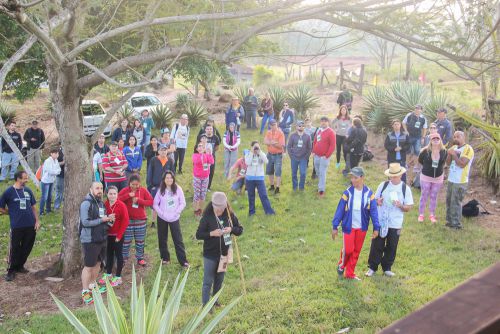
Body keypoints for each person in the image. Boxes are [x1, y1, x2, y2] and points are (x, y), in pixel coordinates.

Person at [195, 192, 244, 306]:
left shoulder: (229, 214)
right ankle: (206, 306)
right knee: (208, 281)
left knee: (219, 280)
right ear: (213, 206)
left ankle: (215, 302)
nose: (219, 211)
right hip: (210, 255)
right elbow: (199, 235)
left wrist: (231, 229)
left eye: (221, 209)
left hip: (224, 255)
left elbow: (240, 229)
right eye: (217, 209)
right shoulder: (207, 217)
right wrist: (212, 233)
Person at [366, 163, 414, 278]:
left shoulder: (405, 189)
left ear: (401, 176)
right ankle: (372, 267)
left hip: (395, 222)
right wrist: (378, 202)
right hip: (381, 220)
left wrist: (400, 206)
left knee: (392, 245)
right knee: (377, 244)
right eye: (391, 176)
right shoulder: (383, 185)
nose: (393, 178)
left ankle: (387, 268)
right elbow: (374, 200)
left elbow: (408, 207)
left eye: (395, 176)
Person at [331, 167, 379, 280]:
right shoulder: (347, 193)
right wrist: (335, 226)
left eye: (355, 177)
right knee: (348, 250)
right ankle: (342, 265)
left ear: (362, 178)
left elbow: (374, 212)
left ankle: (350, 273)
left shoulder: (369, 194)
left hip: (362, 228)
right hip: (348, 226)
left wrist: (376, 228)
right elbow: (340, 210)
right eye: (352, 177)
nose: (353, 180)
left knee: (356, 251)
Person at [0, 171, 40, 281]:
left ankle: (20, 266)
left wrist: (37, 221)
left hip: (30, 225)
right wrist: (10, 212)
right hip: (17, 226)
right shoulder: (8, 192)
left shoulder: (27, 190)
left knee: (27, 247)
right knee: (15, 248)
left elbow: (33, 207)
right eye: (25, 178)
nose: (27, 180)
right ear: (18, 179)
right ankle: (11, 270)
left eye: (27, 178)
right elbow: (1, 208)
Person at [79, 182, 114, 305]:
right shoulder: (86, 204)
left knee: (98, 263)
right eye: (97, 188)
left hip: (101, 238)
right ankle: (85, 291)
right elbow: (85, 222)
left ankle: (92, 286)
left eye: (101, 188)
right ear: (91, 189)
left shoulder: (101, 204)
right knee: (89, 266)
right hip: (90, 240)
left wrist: (109, 220)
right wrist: (102, 219)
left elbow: (102, 222)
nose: (99, 190)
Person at [153, 171, 189, 267]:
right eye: (167, 178)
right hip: (162, 218)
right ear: (164, 180)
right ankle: (165, 258)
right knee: (162, 238)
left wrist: (177, 212)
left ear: (173, 179)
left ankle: (183, 261)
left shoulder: (178, 189)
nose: (169, 179)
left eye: (171, 178)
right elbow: (155, 204)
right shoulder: (161, 190)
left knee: (178, 240)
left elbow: (183, 203)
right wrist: (161, 213)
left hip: (174, 218)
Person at [119, 174, 153, 266]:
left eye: (136, 184)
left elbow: (150, 201)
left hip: (140, 220)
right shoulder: (125, 190)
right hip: (127, 221)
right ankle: (123, 258)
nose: (134, 186)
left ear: (139, 184)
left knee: (140, 240)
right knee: (126, 241)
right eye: (132, 184)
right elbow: (117, 200)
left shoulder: (143, 191)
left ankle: (140, 258)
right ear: (129, 183)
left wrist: (139, 201)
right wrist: (127, 196)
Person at [99, 186, 129, 287]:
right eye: (110, 194)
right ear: (107, 194)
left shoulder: (121, 205)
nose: (112, 196)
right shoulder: (105, 205)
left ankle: (118, 277)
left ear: (117, 194)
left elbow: (125, 221)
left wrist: (119, 236)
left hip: (117, 235)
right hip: (108, 234)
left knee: (119, 254)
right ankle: (108, 274)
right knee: (109, 254)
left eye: (114, 194)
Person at [445, 131, 474, 230]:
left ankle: (456, 225)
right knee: (449, 201)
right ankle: (449, 222)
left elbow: (462, 164)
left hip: (460, 181)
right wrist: (449, 154)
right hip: (451, 179)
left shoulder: (468, 149)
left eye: (458, 136)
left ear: (463, 137)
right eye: (454, 137)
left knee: (456, 202)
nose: (456, 138)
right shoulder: (453, 148)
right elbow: (448, 163)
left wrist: (453, 155)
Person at [418, 133, 447, 223]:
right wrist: (428, 168)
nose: (435, 140)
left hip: (438, 177)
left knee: (434, 196)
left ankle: (432, 215)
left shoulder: (444, 151)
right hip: (426, 176)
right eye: (433, 138)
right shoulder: (424, 151)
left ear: (440, 140)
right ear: (430, 140)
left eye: (437, 138)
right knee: (424, 195)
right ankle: (421, 214)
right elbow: (420, 161)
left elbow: (444, 162)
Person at [245, 141, 276, 216]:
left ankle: (269, 211)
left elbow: (266, 161)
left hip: (259, 178)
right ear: (251, 147)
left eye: (257, 147)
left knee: (263, 195)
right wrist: (252, 152)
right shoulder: (248, 153)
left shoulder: (261, 154)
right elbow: (247, 163)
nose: (256, 148)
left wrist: (260, 152)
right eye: (254, 147)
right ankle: (251, 212)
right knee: (251, 196)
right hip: (250, 178)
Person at [146, 145, 174, 227]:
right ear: (158, 151)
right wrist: (150, 186)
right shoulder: (154, 160)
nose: (163, 152)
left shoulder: (170, 160)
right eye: (161, 150)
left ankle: (164, 220)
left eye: (165, 150)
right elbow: (149, 173)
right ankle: (153, 222)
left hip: (167, 186)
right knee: (155, 205)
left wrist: (171, 185)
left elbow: (173, 173)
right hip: (155, 186)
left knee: (166, 204)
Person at [312, 116, 336, 197]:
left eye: (325, 121)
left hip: (324, 157)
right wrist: (313, 151)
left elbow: (332, 146)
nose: (323, 122)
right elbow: (315, 141)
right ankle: (321, 184)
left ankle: (321, 190)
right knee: (317, 171)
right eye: (322, 121)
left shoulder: (331, 132)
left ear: (328, 122)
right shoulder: (319, 130)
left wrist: (326, 156)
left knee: (322, 172)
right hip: (316, 155)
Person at [287, 120, 312, 191]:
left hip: (303, 158)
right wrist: (291, 156)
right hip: (294, 158)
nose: (301, 127)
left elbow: (309, 148)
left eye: (302, 126)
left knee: (303, 173)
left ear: (304, 127)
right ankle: (295, 187)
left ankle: (301, 187)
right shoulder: (292, 136)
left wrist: (306, 157)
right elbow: (288, 147)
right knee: (294, 173)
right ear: (296, 127)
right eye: (299, 126)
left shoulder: (307, 136)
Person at [192, 142, 215, 218]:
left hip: (205, 177)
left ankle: (200, 211)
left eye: (202, 146)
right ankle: (196, 210)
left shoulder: (206, 155)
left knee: (203, 195)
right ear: (196, 149)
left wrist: (210, 154)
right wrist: (201, 155)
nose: (201, 147)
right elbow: (196, 162)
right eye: (199, 146)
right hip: (197, 178)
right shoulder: (195, 155)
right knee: (197, 194)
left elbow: (212, 161)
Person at [264, 119, 285, 194]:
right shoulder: (268, 132)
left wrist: (271, 143)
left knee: (278, 171)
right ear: (270, 125)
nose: (273, 126)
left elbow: (280, 146)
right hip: (269, 154)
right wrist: (273, 142)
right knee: (270, 171)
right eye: (272, 125)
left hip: (278, 155)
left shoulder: (280, 133)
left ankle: (278, 188)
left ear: (277, 124)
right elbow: (265, 141)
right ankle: (272, 185)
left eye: (275, 124)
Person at [39, 147, 61, 215]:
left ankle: (48, 209)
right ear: (51, 154)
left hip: (52, 181)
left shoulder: (56, 160)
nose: (57, 155)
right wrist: (56, 171)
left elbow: (59, 169)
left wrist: (56, 171)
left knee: (50, 196)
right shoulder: (48, 161)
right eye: (55, 153)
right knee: (44, 197)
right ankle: (41, 211)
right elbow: (50, 171)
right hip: (45, 181)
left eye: (57, 153)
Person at [200, 125, 220, 191]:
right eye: (207, 129)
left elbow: (217, 147)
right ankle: (201, 185)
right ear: (205, 130)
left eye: (210, 129)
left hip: (211, 158)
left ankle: (208, 187)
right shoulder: (202, 137)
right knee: (204, 171)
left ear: (212, 130)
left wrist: (212, 152)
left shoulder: (215, 137)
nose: (209, 130)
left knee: (211, 172)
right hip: (203, 158)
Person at [54, 144, 65, 211]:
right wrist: (63, 162)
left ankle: (65, 206)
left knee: (66, 192)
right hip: (60, 175)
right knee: (59, 191)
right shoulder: (58, 152)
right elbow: (55, 164)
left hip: (69, 176)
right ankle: (56, 207)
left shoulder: (71, 151)